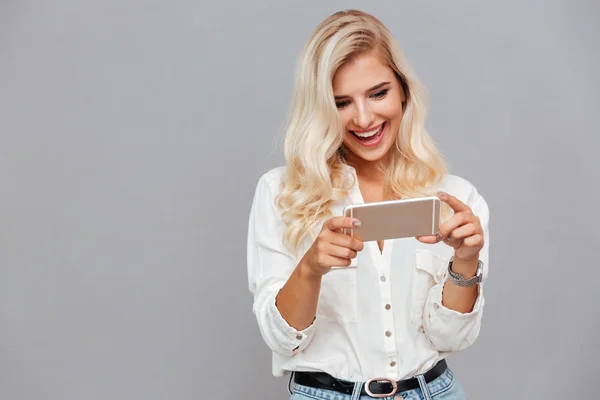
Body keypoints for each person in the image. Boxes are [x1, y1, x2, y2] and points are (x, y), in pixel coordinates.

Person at [247, 9, 489, 400]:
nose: (364, 118)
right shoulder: (282, 193)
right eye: (341, 102)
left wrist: (465, 261)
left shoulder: (454, 197)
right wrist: (311, 268)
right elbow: (282, 340)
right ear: (321, 109)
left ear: (403, 90)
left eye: (378, 93)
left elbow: (452, 337)